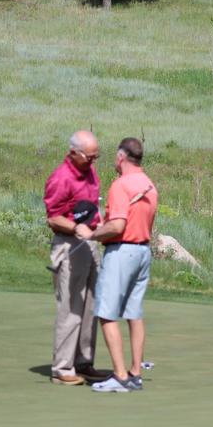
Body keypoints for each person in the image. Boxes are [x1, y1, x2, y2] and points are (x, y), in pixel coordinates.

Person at [76, 137, 158, 393]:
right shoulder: (149, 185)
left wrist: (91, 234)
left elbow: (118, 225)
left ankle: (121, 376)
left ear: (121, 157)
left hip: (122, 252)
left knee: (106, 314)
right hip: (143, 251)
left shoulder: (121, 185)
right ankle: (135, 373)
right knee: (134, 313)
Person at [43, 130, 108, 386]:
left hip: (90, 243)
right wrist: (74, 227)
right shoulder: (61, 178)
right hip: (69, 245)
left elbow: (91, 207)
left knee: (91, 306)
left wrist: (99, 225)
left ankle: (84, 362)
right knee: (71, 307)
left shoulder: (90, 172)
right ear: (74, 153)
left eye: (96, 157)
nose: (93, 161)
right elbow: (53, 217)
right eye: (89, 157)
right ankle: (62, 368)